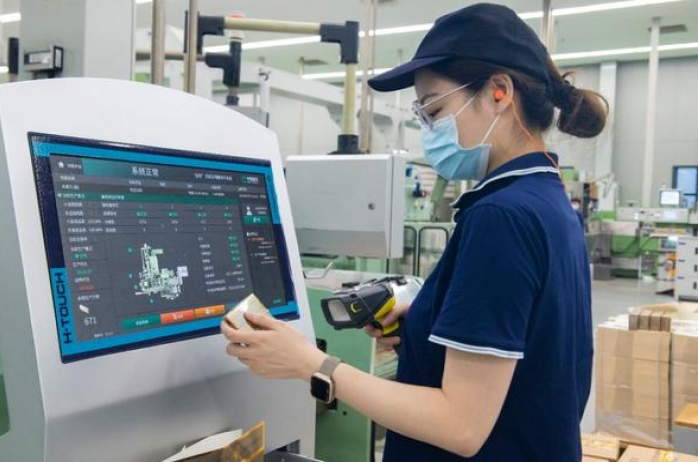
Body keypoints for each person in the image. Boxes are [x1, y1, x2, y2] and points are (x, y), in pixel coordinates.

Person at [221, 3, 607, 461]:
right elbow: (532, 354)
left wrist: (312, 363)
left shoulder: (501, 218)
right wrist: (427, 330)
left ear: (499, 92)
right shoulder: (547, 200)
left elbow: (461, 425)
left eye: (435, 109)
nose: (428, 130)